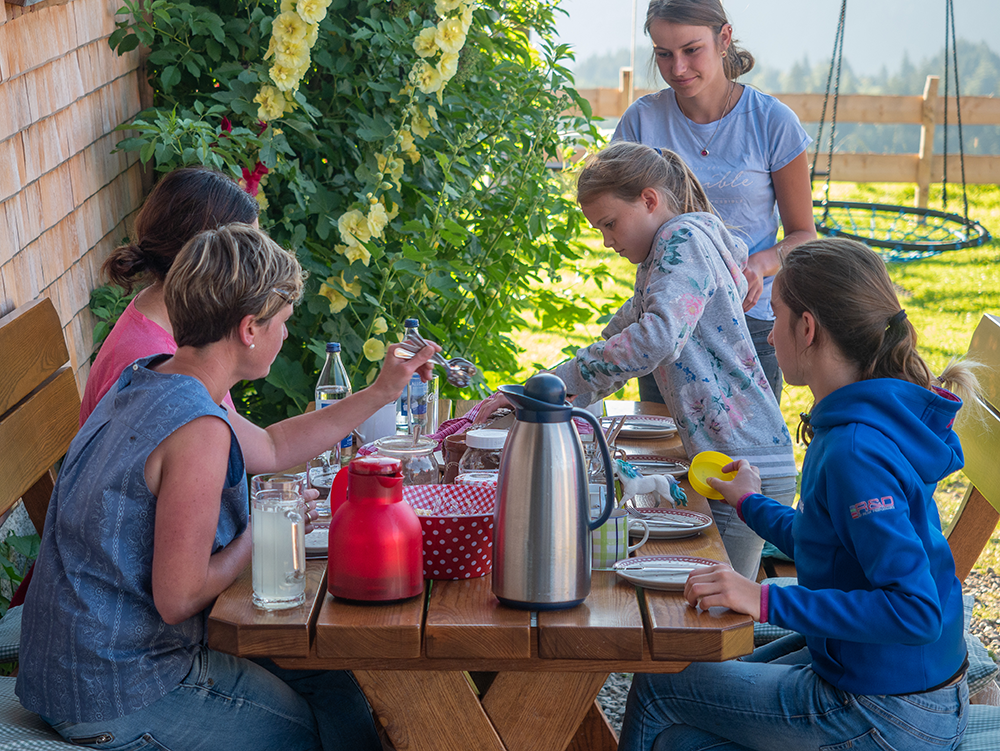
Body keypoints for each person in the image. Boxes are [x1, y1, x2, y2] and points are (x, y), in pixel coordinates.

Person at [16, 224, 438, 750]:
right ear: (248, 329)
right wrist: (271, 527)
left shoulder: (154, 377)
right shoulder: (197, 431)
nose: (286, 335)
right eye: (282, 322)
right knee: (308, 734)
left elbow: (275, 449)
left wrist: (382, 391)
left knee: (336, 688)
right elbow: (179, 597)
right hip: (117, 690)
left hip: (79, 662)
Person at [617, 237, 974, 751]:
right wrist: (749, 502)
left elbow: (915, 611)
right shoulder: (871, 415)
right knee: (691, 697)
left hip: (892, 712)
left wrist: (759, 597)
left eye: (775, 313)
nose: (767, 328)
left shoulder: (854, 448)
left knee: (660, 685)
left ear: (807, 328)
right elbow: (827, 539)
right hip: (898, 684)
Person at [552, 141, 796, 580]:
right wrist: (549, 388)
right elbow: (618, 340)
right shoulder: (662, 262)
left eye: (610, 224)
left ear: (649, 200)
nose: (607, 242)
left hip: (741, 463)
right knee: (705, 604)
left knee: (718, 617)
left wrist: (560, 384)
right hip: (727, 455)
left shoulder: (680, 241)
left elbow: (655, 339)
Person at [616, 0, 817, 404]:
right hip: (667, 322)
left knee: (746, 457)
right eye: (663, 54)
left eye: (692, 50)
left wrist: (757, 266)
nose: (678, 69)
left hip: (751, 323)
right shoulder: (640, 122)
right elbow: (622, 223)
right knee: (664, 454)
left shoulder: (771, 121)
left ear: (723, 39)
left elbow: (803, 235)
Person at [81, 165, 261, 422]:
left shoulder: (173, 322)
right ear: (206, 259)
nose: (256, 270)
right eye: (249, 253)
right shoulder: (158, 367)